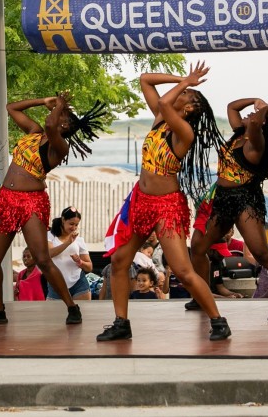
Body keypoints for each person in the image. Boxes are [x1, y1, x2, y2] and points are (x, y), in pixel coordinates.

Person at [98, 62, 231, 342]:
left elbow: (164, 103)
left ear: (190, 109)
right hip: (141, 201)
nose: (177, 93)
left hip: (166, 207)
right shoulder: (160, 122)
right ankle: (121, 322)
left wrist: (184, 85)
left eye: (184, 95)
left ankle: (218, 320)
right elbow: (146, 79)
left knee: (182, 270)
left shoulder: (184, 133)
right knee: (120, 261)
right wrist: (184, 78)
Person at [0, 92, 106, 326]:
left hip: (32, 201)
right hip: (7, 198)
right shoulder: (34, 132)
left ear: (64, 124)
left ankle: (71, 306)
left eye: (61, 114)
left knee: (42, 259)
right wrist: (43, 101)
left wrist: (59, 105)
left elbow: (50, 123)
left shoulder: (59, 147)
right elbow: (12, 108)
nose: (54, 114)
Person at [188, 98, 268, 310]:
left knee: (261, 253)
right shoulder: (240, 135)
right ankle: (201, 296)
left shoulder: (255, 145)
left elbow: (257, 123)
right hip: (223, 198)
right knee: (198, 247)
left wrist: (264, 109)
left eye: (253, 115)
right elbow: (232, 106)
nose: (249, 115)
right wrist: (255, 101)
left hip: (244, 199)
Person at [46, 206, 93, 301]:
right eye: (71, 224)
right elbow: (49, 253)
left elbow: (89, 267)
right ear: (63, 219)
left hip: (79, 284)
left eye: (76, 225)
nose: (74, 227)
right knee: (53, 315)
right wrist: (68, 242)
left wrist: (80, 262)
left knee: (81, 314)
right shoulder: (50, 235)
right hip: (56, 284)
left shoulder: (79, 240)